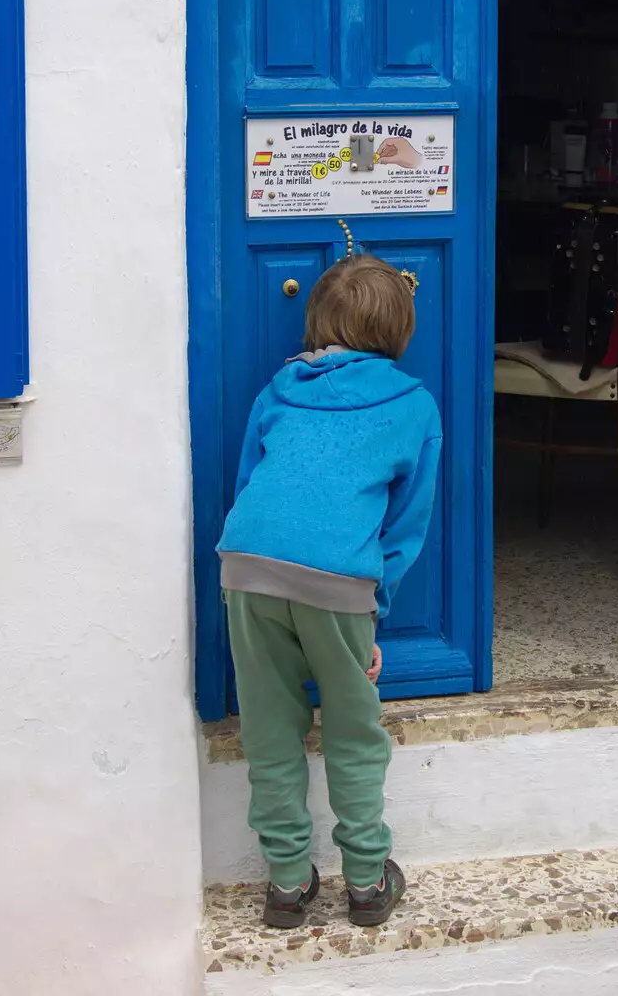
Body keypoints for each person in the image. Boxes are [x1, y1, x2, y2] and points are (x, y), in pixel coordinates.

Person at [217, 250, 442, 930]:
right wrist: (372, 614)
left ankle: (287, 884)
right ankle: (368, 882)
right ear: (398, 329)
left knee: (270, 729)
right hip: (339, 580)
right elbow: (404, 530)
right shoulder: (413, 404)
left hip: (248, 569)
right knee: (352, 732)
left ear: (318, 324)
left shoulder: (276, 391)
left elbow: (249, 486)